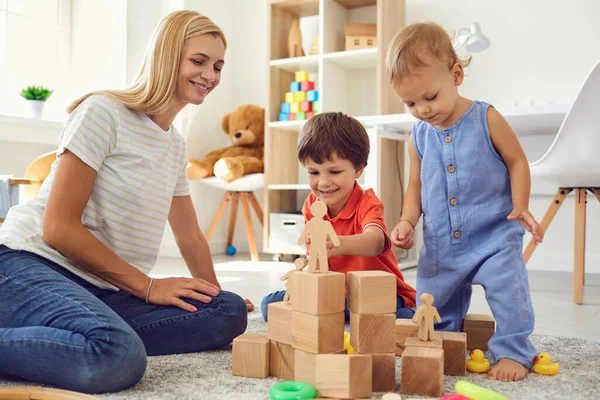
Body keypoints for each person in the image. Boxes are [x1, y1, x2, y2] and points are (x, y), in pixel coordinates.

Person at [0, 10, 250, 394]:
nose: (211, 76)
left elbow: (189, 236)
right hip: (28, 264)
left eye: (217, 65)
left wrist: (211, 293)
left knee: (227, 311)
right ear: (167, 56)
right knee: (116, 356)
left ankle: (75, 332)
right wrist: (149, 287)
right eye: (198, 61)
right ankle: (92, 337)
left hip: (104, 286)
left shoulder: (173, 145)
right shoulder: (104, 112)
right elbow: (58, 228)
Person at [386, 22, 544, 382]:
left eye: (430, 97)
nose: (423, 110)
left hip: (494, 236)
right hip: (442, 244)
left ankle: (514, 351)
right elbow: (415, 186)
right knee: (431, 306)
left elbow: (517, 161)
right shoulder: (418, 136)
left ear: (456, 75)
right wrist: (408, 221)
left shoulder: (486, 117)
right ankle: (444, 341)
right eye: (410, 103)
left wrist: (520, 204)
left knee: (509, 293)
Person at [261, 112, 416, 321]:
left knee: (390, 317)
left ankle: (347, 314)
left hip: (379, 292)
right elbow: (315, 258)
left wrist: (338, 245)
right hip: (336, 293)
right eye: (314, 173)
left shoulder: (367, 203)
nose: (323, 182)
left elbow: (376, 241)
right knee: (269, 305)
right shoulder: (311, 205)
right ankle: (338, 313)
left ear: (358, 169)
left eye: (334, 172)